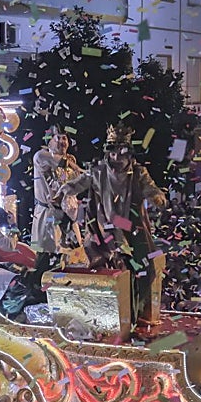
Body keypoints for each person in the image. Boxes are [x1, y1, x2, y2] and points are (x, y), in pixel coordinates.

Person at [59, 124, 167, 326]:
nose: (116, 157)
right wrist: (64, 189)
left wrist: (158, 198)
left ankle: (136, 313)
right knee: (108, 271)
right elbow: (78, 183)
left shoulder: (138, 172)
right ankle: (112, 319)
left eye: (121, 152)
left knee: (147, 269)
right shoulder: (97, 171)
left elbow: (152, 190)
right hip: (105, 228)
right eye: (113, 151)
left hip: (131, 227)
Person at [31, 126, 81, 266]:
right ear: (50, 141)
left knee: (73, 257)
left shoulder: (70, 160)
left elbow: (66, 181)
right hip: (48, 215)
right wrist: (78, 169)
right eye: (57, 138)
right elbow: (56, 160)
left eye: (64, 138)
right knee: (47, 258)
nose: (61, 142)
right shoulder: (41, 156)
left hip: (67, 214)